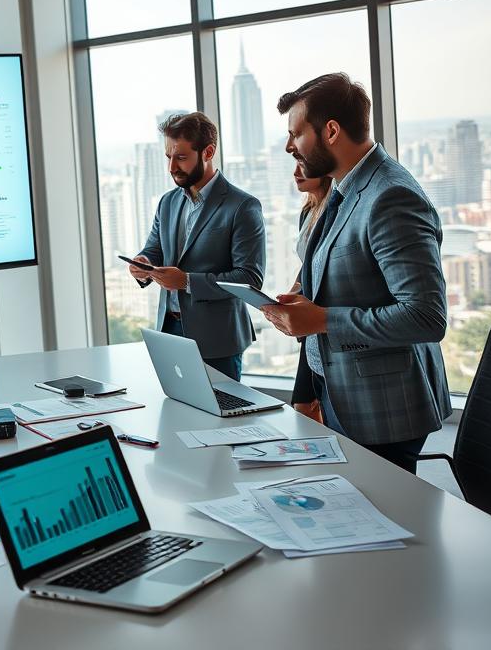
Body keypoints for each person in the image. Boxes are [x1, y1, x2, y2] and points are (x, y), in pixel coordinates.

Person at [260, 73, 451, 474]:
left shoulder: (390, 196)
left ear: (330, 131)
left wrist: (322, 319)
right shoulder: (344, 187)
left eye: (296, 134)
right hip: (342, 390)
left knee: (387, 525)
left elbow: (426, 317)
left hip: (384, 407)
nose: (288, 146)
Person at [128, 112, 265, 381]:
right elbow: (154, 250)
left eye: (180, 157)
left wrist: (187, 281)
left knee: (220, 419)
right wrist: (142, 263)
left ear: (208, 152)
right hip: (170, 333)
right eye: (168, 157)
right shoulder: (167, 202)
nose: (171, 167)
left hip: (218, 340)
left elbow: (249, 279)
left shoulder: (243, 206)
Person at [290, 162, 332, 423]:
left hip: (321, 317)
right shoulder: (308, 212)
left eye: (303, 165)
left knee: (306, 403)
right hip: (309, 322)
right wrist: (294, 290)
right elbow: (308, 265)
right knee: (303, 404)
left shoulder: (334, 211)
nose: (295, 172)